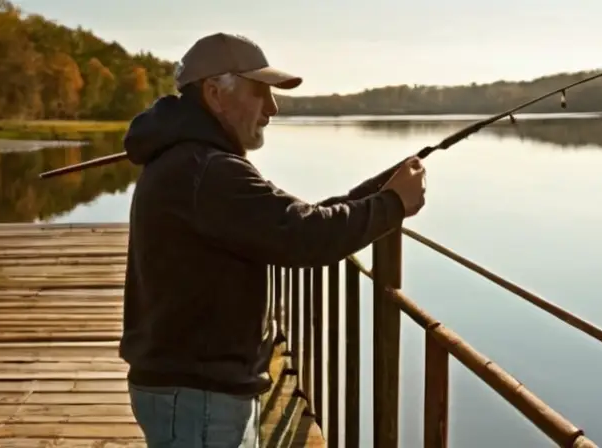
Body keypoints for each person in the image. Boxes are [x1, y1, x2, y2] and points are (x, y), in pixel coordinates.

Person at [118, 32, 426, 448]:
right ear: (214, 93)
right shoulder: (208, 171)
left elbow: (288, 223)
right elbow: (304, 236)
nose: (273, 109)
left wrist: (379, 194)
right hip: (198, 397)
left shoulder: (194, 162)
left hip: (194, 390)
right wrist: (391, 206)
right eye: (260, 92)